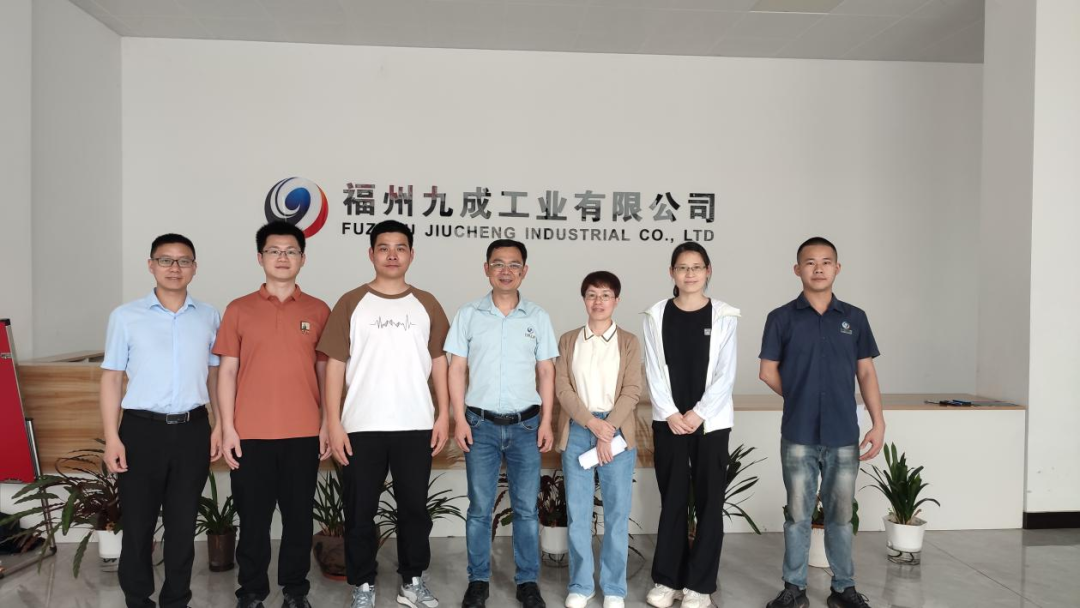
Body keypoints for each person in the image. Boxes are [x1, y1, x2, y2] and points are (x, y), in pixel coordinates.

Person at [318, 220, 451, 608]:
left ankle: (412, 581)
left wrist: (443, 414)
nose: (392, 255)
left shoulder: (426, 303)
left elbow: (439, 362)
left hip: (415, 425)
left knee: (414, 511)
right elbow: (335, 365)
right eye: (384, 248)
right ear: (371, 253)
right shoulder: (351, 302)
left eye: (400, 248)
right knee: (360, 512)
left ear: (411, 254)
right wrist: (333, 422)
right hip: (361, 427)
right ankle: (363, 584)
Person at [760, 237, 884, 608]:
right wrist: (800, 395)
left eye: (826, 261)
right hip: (798, 434)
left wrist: (878, 422)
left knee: (841, 516)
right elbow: (767, 371)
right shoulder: (781, 318)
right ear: (797, 269)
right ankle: (794, 589)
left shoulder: (854, 318)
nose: (818, 268)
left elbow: (866, 372)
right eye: (810, 262)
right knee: (798, 515)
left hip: (843, 433)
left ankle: (843, 588)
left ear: (837, 268)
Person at [101, 233, 222, 608]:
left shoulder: (209, 316)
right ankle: (138, 599)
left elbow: (214, 376)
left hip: (192, 430)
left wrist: (219, 424)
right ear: (151, 265)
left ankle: (176, 600)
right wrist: (112, 437)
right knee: (138, 525)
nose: (174, 268)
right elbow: (112, 378)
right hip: (141, 431)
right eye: (166, 260)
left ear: (194, 268)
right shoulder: (125, 317)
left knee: (183, 526)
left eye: (183, 261)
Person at [214, 220, 331, 608]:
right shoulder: (238, 309)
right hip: (250, 435)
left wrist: (327, 423)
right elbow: (227, 372)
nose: (283, 258)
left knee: (298, 520)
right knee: (253, 522)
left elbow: (325, 371)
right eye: (274, 251)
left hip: (303, 433)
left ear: (303, 259)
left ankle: (295, 592)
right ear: (260, 257)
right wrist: (227, 427)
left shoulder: (318, 310)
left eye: (291, 251)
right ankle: (251, 592)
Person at [445, 239, 558, 608]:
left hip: (527, 427)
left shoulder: (537, 317)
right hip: (480, 426)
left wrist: (547, 421)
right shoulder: (468, 314)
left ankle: (527, 582)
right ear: (486, 269)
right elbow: (456, 369)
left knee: (526, 509)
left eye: (513, 264)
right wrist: (459, 419)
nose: (505, 271)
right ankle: (478, 580)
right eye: (498, 263)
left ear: (524, 271)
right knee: (480, 508)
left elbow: (546, 372)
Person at [642, 242, 739, 608]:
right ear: (672, 273)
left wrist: (699, 413)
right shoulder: (656, 315)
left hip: (711, 423)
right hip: (668, 422)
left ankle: (699, 586)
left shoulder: (724, 315)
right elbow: (653, 369)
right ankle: (668, 581)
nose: (690, 274)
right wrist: (670, 413)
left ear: (708, 270)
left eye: (697, 267)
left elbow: (726, 373)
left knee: (710, 503)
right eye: (682, 267)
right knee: (673, 499)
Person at [555, 271, 642, 608]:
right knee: (577, 513)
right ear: (584, 299)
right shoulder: (568, 340)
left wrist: (608, 429)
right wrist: (592, 424)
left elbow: (632, 390)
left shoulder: (629, 342)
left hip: (617, 431)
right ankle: (580, 585)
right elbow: (562, 388)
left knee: (617, 514)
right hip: (579, 428)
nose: (598, 301)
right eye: (592, 294)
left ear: (616, 301)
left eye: (606, 295)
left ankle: (614, 588)